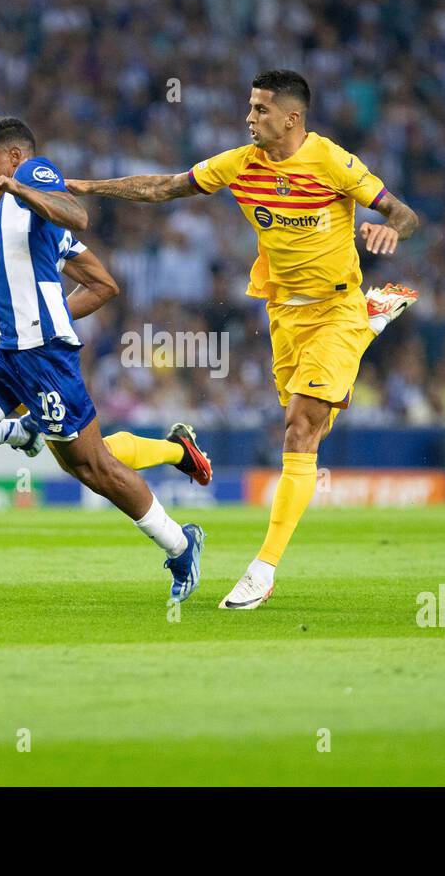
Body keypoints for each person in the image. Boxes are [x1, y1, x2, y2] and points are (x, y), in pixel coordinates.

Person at [67, 69, 419, 609]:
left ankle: (263, 569)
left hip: (335, 308)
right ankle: (368, 327)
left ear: (291, 118)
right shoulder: (240, 164)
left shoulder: (331, 161)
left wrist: (390, 226)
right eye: (250, 108)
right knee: (315, 422)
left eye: (259, 110)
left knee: (300, 430)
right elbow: (167, 186)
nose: (249, 117)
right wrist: (88, 187)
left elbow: (401, 211)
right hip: (284, 315)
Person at [0, 117, 204, 601]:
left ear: (13, 158)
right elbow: (17, 274)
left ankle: (180, 545)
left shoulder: (34, 173)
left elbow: (76, 217)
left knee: (92, 467)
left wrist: (18, 187)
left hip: (41, 359)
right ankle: (19, 432)